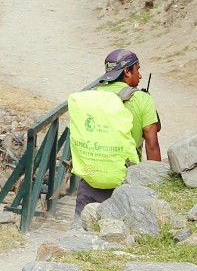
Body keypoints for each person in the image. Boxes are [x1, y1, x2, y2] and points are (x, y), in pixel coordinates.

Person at [66, 48, 154, 222]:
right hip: (125, 180)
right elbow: (152, 145)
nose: (141, 75)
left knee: (80, 231)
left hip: (91, 178)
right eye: (138, 69)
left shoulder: (93, 97)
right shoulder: (143, 100)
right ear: (127, 71)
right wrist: (154, 182)